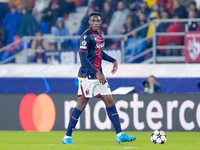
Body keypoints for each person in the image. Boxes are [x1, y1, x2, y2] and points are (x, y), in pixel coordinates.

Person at [62, 12, 136, 145]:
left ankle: (120, 134)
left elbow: (99, 53)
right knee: (82, 103)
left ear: (101, 22)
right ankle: (67, 137)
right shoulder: (86, 36)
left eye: (98, 20)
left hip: (98, 75)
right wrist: (97, 73)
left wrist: (113, 60)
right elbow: (83, 59)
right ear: (89, 22)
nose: (96, 22)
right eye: (93, 20)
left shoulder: (101, 34)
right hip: (87, 76)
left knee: (110, 101)